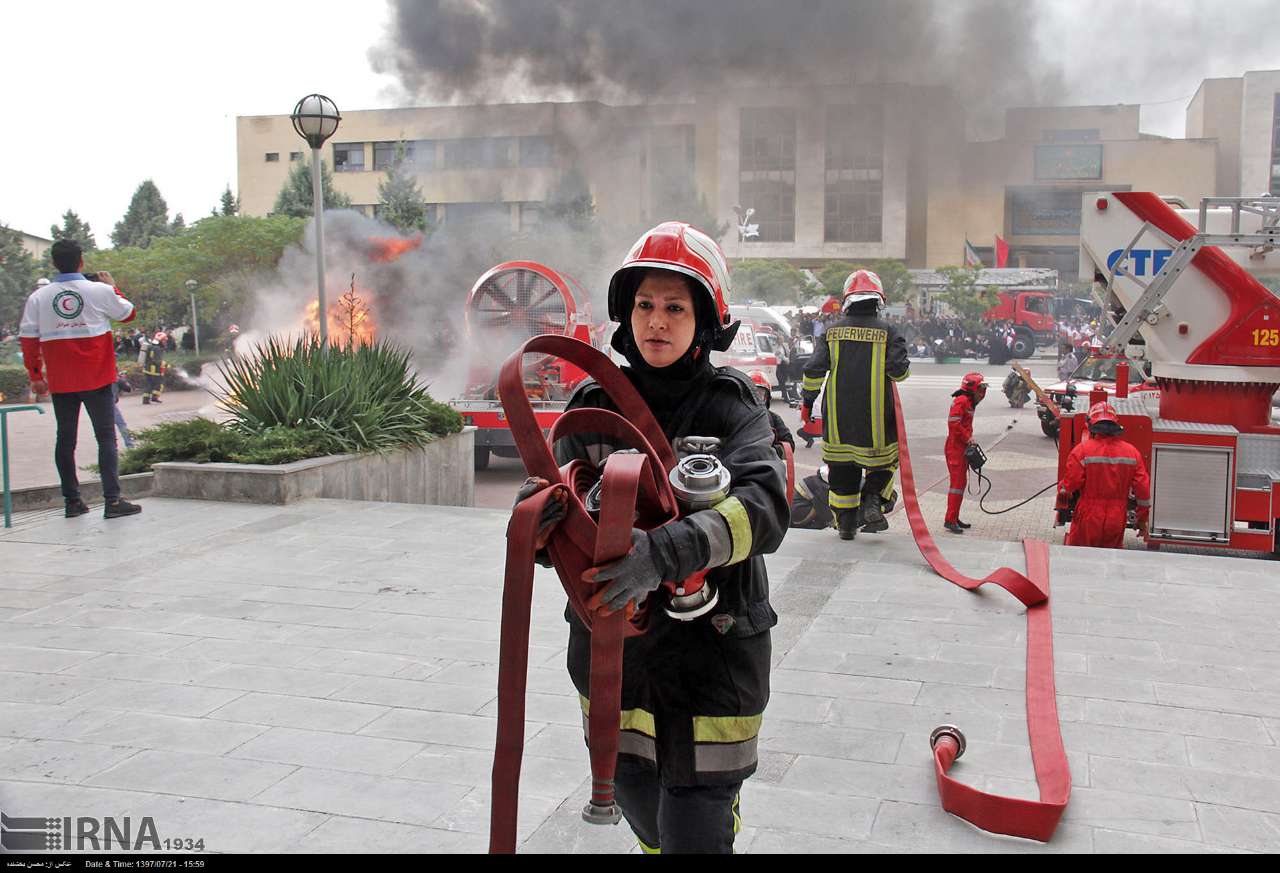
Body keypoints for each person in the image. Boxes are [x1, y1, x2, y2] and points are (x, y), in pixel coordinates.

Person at [517, 221, 788, 854]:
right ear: (625, 313)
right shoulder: (592, 405)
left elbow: (766, 507)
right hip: (618, 657)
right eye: (644, 305)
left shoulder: (733, 407)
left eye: (674, 307)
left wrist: (662, 553)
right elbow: (554, 495)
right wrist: (539, 522)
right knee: (640, 804)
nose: (656, 322)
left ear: (707, 320)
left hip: (713, 658)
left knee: (694, 824)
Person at [18, 239, 142, 519]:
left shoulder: (38, 297)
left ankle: (72, 502)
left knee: (65, 440)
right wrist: (113, 286)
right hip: (98, 378)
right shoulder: (100, 290)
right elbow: (128, 313)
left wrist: (36, 376)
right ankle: (112, 501)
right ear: (81, 262)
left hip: (62, 381)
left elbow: (28, 339)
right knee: (106, 438)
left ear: (53, 263)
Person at [801, 270, 910, 540]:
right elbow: (899, 372)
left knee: (842, 470)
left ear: (848, 300)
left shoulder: (831, 331)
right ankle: (873, 499)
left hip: (838, 423)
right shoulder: (889, 331)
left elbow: (814, 371)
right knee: (886, 462)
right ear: (878, 300)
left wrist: (807, 399)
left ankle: (847, 524)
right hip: (876, 423)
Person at [1057, 402, 1150, 548]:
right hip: (1117, 516)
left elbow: (1070, 484)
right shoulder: (1132, 452)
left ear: (1090, 425)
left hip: (1088, 514)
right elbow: (1143, 490)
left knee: (1080, 559)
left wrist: (1062, 492)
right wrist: (1141, 519)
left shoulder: (1082, 451)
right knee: (1110, 560)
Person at [944, 372, 986, 534]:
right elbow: (953, 424)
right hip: (955, 448)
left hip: (960, 447)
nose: (982, 393)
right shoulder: (961, 401)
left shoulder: (968, 401)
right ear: (973, 388)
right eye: (980, 389)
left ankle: (954, 517)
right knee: (956, 486)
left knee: (960, 485)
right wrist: (968, 438)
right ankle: (950, 519)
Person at [140, 332, 167, 404]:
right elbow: (157, 361)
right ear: (160, 340)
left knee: (148, 384)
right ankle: (155, 397)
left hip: (147, 369)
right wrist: (165, 364)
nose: (165, 342)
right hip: (155, 370)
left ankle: (145, 399)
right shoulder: (157, 349)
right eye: (164, 340)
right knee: (158, 383)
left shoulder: (150, 346)